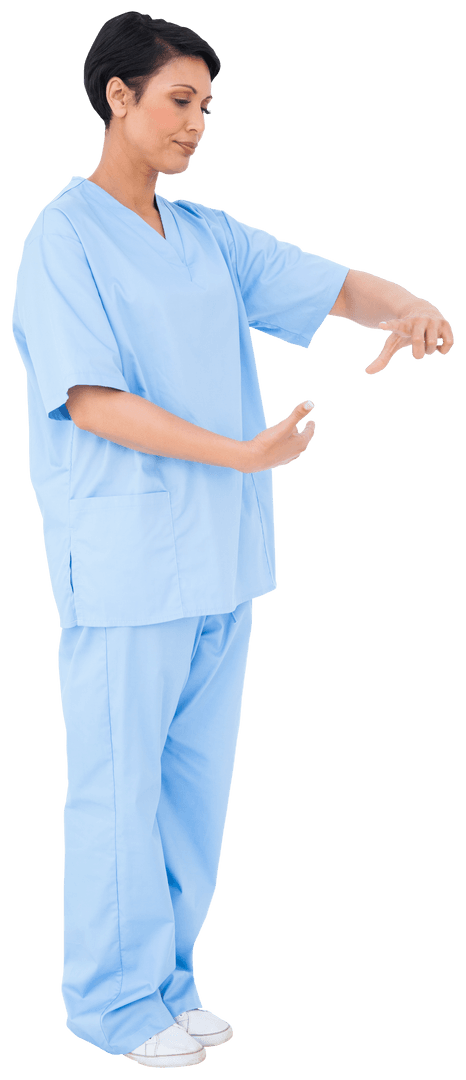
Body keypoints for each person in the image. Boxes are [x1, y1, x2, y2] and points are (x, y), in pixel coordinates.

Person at [10, 10, 454, 1071]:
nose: (197, 122)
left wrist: (409, 303)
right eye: (178, 100)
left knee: (190, 795)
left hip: (219, 563)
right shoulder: (61, 241)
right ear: (116, 99)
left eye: (207, 105)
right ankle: (109, 1006)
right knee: (119, 794)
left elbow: (321, 282)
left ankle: (168, 983)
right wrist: (235, 454)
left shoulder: (204, 233)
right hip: (126, 566)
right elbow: (91, 398)